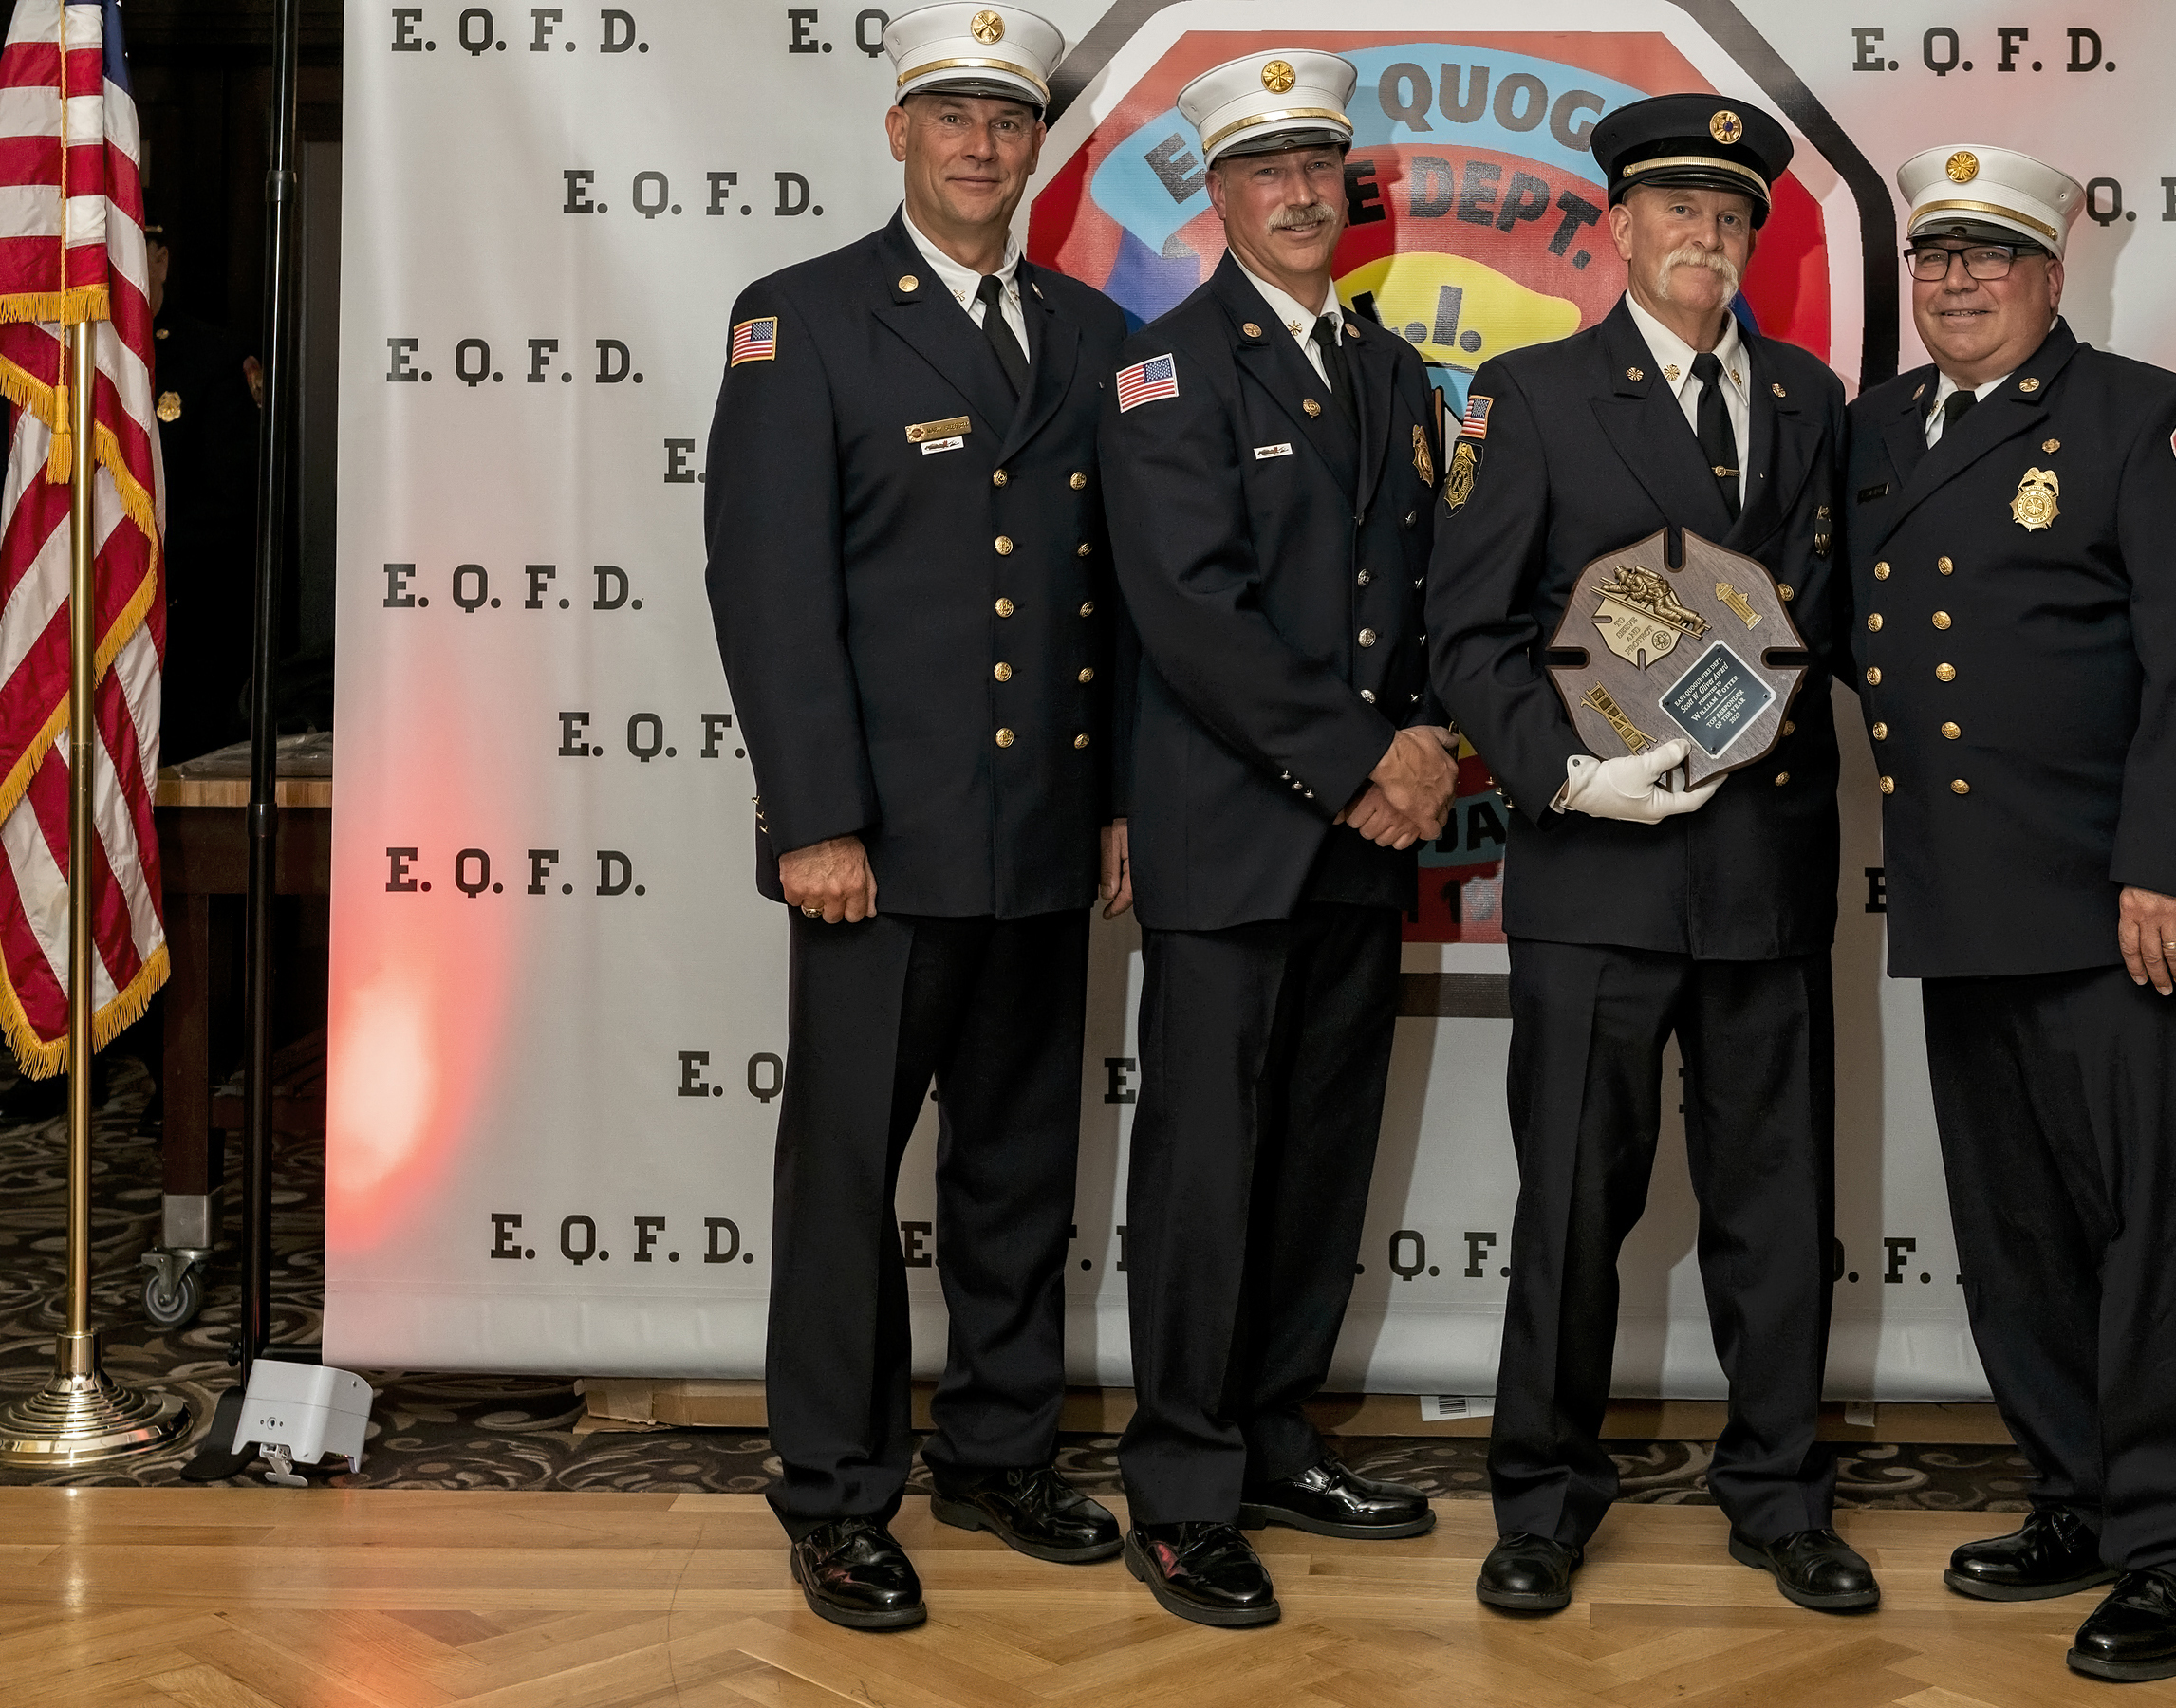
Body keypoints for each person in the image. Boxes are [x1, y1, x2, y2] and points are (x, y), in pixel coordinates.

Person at [702, 0, 1131, 1632]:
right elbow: (768, 587)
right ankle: (833, 1493)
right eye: (948, 115)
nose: (977, 143)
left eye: (1005, 121)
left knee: (1020, 1168)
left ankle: (1002, 1452)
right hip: (870, 852)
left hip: (1041, 833)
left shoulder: (1092, 338)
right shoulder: (799, 320)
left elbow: (1115, 603)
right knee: (844, 1184)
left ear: (1037, 146)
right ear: (898, 133)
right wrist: (815, 818)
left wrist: (1112, 806)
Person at [1428, 95, 1871, 1617]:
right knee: (1570, 1210)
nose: (1707, 234)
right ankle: (1542, 1503)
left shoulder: (1813, 399)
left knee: (1776, 1217)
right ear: (1617, 227)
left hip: (1767, 868)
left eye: (1731, 214)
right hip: (1600, 875)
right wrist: (1564, 778)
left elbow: (1841, 626)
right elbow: (1469, 633)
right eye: (1678, 209)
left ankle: (1782, 1498)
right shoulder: (1536, 395)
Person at [1847, 145, 2176, 1684]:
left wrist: (2170, 862)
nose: (1955, 280)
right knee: (2016, 1240)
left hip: (2132, 912)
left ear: (2050, 273)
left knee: (2158, 1239)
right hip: (1971, 903)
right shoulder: (1880, 431)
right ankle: (2080, 1497)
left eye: (1990, 255)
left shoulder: (2152, 422)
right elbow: (1811, 626)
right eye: (1935, 256)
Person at [1098, 47, 1455, 1629]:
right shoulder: (1167, 372)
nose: (1302, 194)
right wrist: (1369, 763)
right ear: (1220, 196)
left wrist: (1435, 740)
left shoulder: (1387, 373)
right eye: (1267, 172)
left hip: (1362, 840)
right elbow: (1195, 617)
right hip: (1237, 837)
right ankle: (1179, 1488)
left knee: (1317, 1158)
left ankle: (1273, 1436)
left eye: (1322, 168)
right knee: (1201, 1170)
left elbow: (1428, 589)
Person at [146, 220, 263, 766]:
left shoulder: (212, 360)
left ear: (160, 261)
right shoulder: (64, 359)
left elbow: (227, 509)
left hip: (185, 633)